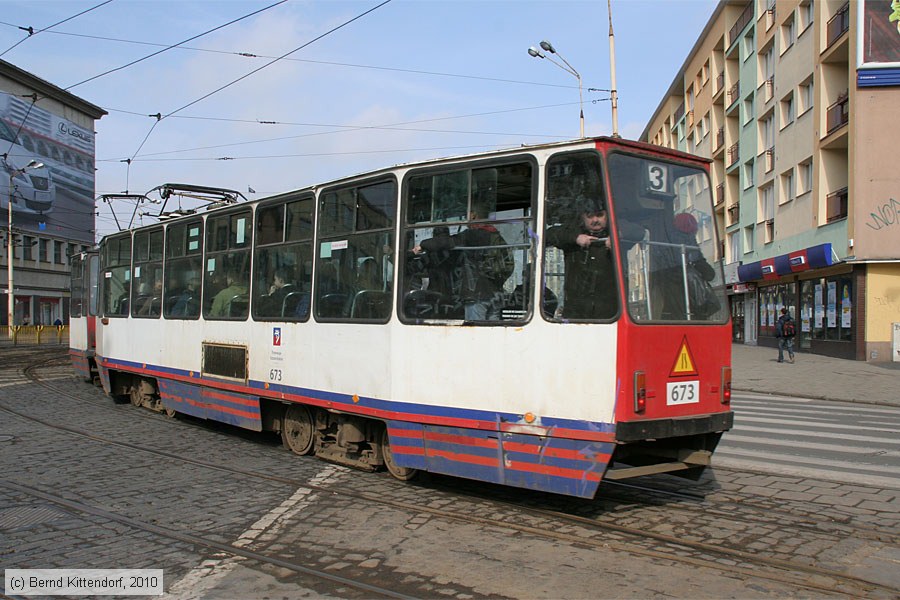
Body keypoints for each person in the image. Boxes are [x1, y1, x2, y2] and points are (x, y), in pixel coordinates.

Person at [412, 205, 513, 321]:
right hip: (496, 295)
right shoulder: (497, 236)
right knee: (492, 333)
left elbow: (449, 242)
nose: (466, 218)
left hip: (477, 296)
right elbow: (508, 265)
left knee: (475, 334)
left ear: (474, 215)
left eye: (468, 214)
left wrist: (423, 245)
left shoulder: (473, 235)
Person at [545, 204, 644, 320]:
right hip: (576, 311)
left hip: (610, 312)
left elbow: (639, 231)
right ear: (583, 218)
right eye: (590, 216)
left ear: (607, 216)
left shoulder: (617, 233)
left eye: (600, 215)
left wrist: (618, 236)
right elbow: (548, 235)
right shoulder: (573, 235)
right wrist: (575, 238)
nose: (595, 220)